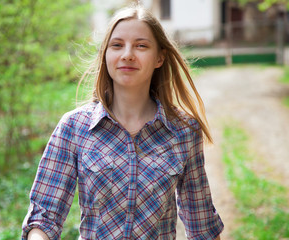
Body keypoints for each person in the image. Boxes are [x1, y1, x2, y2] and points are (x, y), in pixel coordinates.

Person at [22, 4, 224, 240]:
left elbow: (202, 225)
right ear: (105, 55)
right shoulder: (73, 127)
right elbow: (43, 218)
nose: (127, 54)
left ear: (160, 57)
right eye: (117, 45)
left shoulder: (184, 131)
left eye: (141, 45)